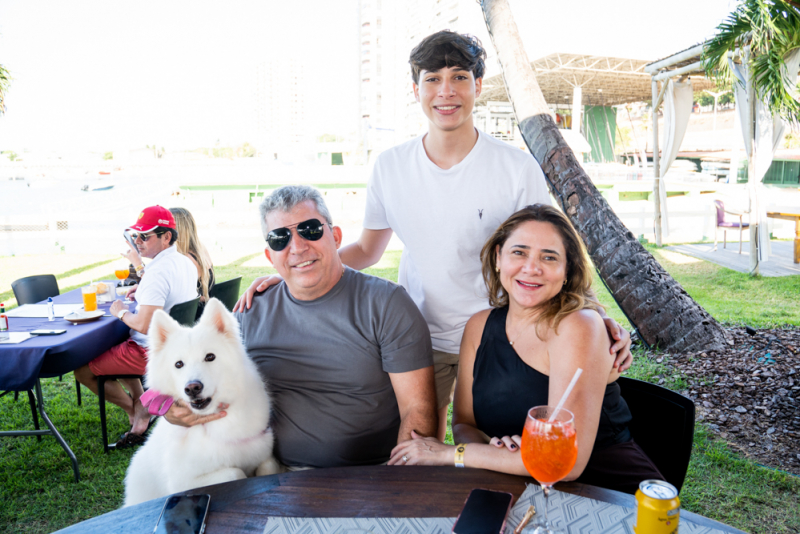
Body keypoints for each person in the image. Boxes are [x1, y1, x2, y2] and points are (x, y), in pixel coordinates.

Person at [235, 30, 632, 441]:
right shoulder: (390, 166)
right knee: (416, 446)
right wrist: (295, 271)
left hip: (500, 337)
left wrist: (595, 312)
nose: (446, 91)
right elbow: (368, 250)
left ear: (478, 86)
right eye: (432, 79)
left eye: (459, 77)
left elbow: (550, 253)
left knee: (502, 446)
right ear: (415, 89)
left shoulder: (516, 168)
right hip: (417, 336)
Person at [387, 205, 661, 495]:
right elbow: (464, 423)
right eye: (519, 252)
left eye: (549, 257)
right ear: (498, 258)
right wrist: (493, 450)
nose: (532, 267)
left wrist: (446, 453)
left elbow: (563, 463)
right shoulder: (478, 327)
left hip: (607, 492)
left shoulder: (580, 326)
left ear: (567, 270)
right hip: (516, 487)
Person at [165, 186, 437, 468]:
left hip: (370, 474)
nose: (297, 247)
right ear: (270, 256)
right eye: (280, 238)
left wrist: (397, 482)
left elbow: (417, 410)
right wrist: (168, 409)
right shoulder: (250, 312)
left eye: (310, 230)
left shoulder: (386, 305)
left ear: (336, 236)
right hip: (269, 473)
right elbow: (186, 371)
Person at [74, 206, 198, 447]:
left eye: (145, 236)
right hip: (178, 346)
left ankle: (137, 408)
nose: (138, 242)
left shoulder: (157, 271)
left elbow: (143, 324)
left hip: (151, 353)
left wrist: (119, 311)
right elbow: (166, 296)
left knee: (82, 370)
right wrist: (142, 289)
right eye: (136, 235)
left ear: (166, 237)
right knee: (113, 345)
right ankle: (141, 405)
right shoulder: (184, 262)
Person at [169, 207, 215, 316]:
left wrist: (138, 266)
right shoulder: (200, 248)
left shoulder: (185, 260)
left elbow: (165, 292)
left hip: (192, 318)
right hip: (205, 314)